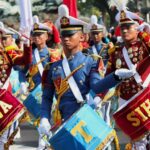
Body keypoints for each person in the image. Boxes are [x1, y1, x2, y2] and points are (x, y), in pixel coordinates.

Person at [38, 4, 136, 148]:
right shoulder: (53, 67)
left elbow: (96, 86)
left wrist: (115, 76)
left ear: (82, 37)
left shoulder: (91, 61)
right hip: (64, 122)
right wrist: (44, 118)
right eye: (63, 34)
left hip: (85, 120)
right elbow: (46, 97)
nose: (66, 39)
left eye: (70, 35)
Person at [106, 1, 150, 149]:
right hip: (127, 100)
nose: (124, 31)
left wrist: (145, 34)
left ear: (136, 28)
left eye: (128, 27)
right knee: (137, 140)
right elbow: (108, 77)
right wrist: (98, 95)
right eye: (122, 27)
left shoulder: (144, 44)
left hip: (145, 97)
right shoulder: (116, 52)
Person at [0, 24, 32, 150]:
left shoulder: (7, 53)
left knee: (4, 138)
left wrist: (26, 43)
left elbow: (25, 60)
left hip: (3, 101)